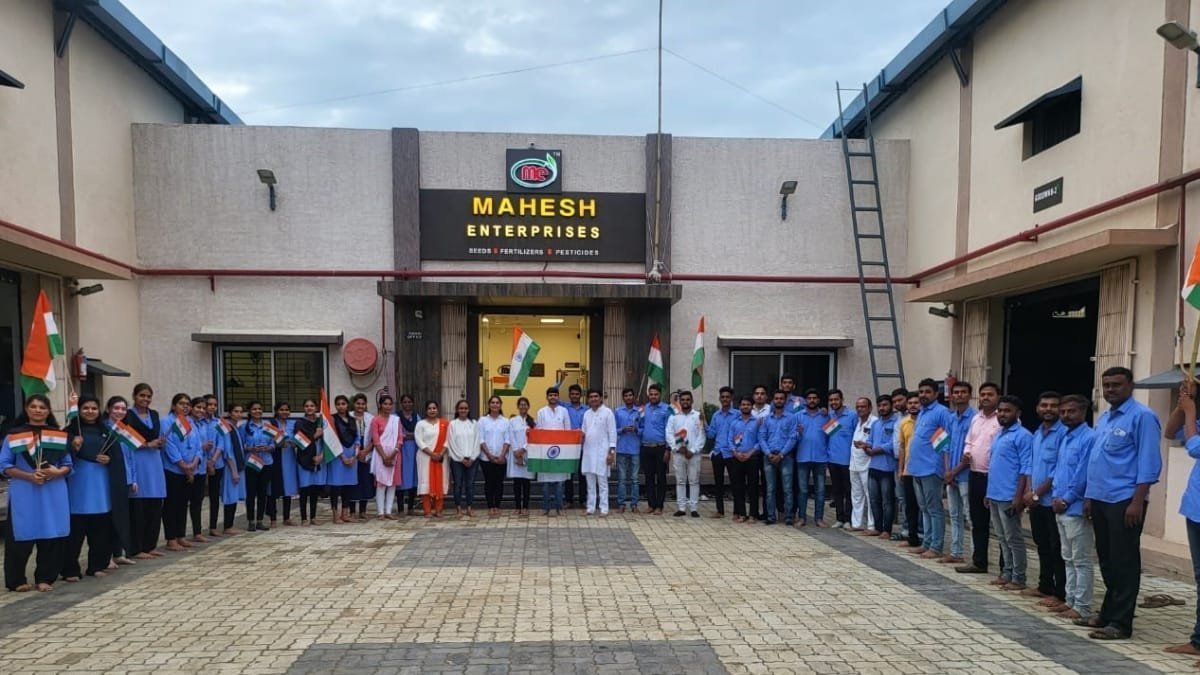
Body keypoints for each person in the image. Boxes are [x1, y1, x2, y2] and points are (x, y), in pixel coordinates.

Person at [1082, 366, 1162, 641]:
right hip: (1101, 498)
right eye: (1106, 385)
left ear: (1130, 385)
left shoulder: (1143, 417)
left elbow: (1149, 462)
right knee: (1106, 559)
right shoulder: (1105, 418)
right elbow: (1096, 461)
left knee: (1124, 561)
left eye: (1116, 385)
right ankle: (1108, 613)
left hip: (1125, 500)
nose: (1110, 390)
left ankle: (1121, 623)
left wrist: (1137, 501)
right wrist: (1090, 497)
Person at [2, 394, 71, 592]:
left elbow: (68, 464)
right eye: (33, 406)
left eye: (42, 407)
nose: (38, 410)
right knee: (21, 535)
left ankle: (45, 578)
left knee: (51, 535)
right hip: (25, 491)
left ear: (48, 411)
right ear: (26, 409)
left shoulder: (58, 436)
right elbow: (4, 465)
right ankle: (16, 580)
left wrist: (57, 472)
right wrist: (29, 476)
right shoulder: (14, 436)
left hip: (53, 490)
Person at [63, 395, 126, 580]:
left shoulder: (107, 431)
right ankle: (70, 570)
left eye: (93, 408)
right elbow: (58, 458)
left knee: (100, 531)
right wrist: (72, 447)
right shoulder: (68, 432)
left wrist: (109, 459)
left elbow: (117, 459)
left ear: (99, 411)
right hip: (77, 486)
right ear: (78, 410)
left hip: (101, 488)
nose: (90, 412)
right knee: (75, 532)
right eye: (85, 408)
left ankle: (96, 566)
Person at [1050, 394, 1095, 621]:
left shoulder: (1089, 438)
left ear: (1083, 412)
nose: (1066, 415)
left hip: (1074, 507)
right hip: (1060, 504)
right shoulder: (1066, 436)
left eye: (1071, 411)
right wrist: (1055, 497)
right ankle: (1070, 600)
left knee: (1081, 559)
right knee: (1067, 557)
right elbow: (1060, 470)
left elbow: (1083, 474)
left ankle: (1083, 607)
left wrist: (1067, 499)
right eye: (1063, 412)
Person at [1165, 383, 1200, 662]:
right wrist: (1183, 404)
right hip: (1195, 509)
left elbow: (1195, 447)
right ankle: (1198, 640)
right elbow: (1170, 432)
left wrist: (1190, 410)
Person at [1023, 391, 1066, 605]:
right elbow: (1031, 465)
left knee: (1056, 547)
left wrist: (1037, 493)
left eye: (1053, 406)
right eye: (1044, 405)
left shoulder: (1063, 433)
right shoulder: (1038, 433)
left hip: (1052, 501)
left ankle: (1060, 593)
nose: (1048, 409)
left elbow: (1057, 470)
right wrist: (1029, 491)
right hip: (1036, 501)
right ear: (1037, 408)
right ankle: (1044, 585)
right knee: (1041, 544)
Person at [986, 395, 1033, 591]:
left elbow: (1025, 468)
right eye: (1000, 411)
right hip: (995, 493)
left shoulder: (1023, 436)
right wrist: (988, 493)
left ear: (1018, 413)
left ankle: (1018, 577)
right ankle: (1006, 572)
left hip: (1009, 496)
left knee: (1013, 537)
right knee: (1002, 537)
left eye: (1007, 411)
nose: (1003, 414)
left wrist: (1018, 496)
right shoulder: (1000, 434)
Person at [955, 382, 1002, 574]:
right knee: (977, 521)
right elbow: (969, 441)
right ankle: (979, 561)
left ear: (998, 397)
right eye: (983, 394)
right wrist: (967, 452)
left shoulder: (1003, 419)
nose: (985, 398)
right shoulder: (976, 418)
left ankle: (1006, 568)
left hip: (994, 477)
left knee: (999, 524)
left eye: (990, 394)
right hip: (974, 474)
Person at [906, 378, 953, 559]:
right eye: (921, 392)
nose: (923, 395)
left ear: (936, 394)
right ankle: (926, 542)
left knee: (934, 509)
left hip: (931, 468)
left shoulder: (942, 412)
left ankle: (936, 546)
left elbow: (946, 442)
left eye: (927, 392)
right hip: (916, 467)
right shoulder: (922, 412)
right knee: (924, 508)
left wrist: (945, 467)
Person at [126, 383, 165, 559]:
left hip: (154, 463)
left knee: (154, 506)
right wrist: (147, 444)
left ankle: (150, 545)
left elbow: (156, 434)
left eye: (148, 396)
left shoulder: (154, 415)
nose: (145, 399)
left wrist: (159, 443)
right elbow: (126, 440)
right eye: (142, 395)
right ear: (134, 396)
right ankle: (136, 548)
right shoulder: (128, 416)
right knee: (138, 508)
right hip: (138, 461)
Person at [161, 395, 202, 552]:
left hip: (190, 469)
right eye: (181, 404)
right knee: (171, 505)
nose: (185, 407)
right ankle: (171, 539)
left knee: (183, 504)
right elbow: (169, 445)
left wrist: (193, 464)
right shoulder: (167, 422)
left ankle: (181, 535)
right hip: (174, 469)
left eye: (187, 404)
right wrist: (184, 465)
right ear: (173, 406)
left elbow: (198, 445)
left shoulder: (190, 422)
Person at [942, 381, 975, 564]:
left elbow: (972, 452)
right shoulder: (950, 418)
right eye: (956, 392)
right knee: (954, 515)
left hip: (966, 475)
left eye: (963, 392)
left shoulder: (975, 419)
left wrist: (954, 472)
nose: (959, 395)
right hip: (951, 475)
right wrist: (948, 471)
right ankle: (956, 552)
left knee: (970, 516)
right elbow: (944, 446)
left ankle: (976, 555)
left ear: (969, 395)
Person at [101, 396, 136, 565]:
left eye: (123, 409)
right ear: (108, 409)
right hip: (109, 479)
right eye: (116, 408)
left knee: (121, 517)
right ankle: (106, 556)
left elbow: (131, 457)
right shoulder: (103, 429)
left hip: (125, 478)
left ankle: (118, 553)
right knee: (109, 518)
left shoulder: (126, 430)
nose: (120, 411)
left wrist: (133, 479)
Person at [759, 390, 797, 525]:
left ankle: (788, 517)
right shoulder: (767, 419)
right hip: (769, 457)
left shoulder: (791, 418)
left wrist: (781, 454)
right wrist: (769, 454)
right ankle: (771, 516)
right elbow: (761, 437)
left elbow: (793, 438)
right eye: (776, 398)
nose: (779, 400)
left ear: (785, 401)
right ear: (773, 401)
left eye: (781, 398)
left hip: (785, 457)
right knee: (770, 489)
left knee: (787, 489)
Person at [666, 390, 704, 518]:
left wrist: (693, 450)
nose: (685, 402)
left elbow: (702, 435)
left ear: (692, 401)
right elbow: (669, 434)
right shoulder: (674, 416)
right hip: (679, 454)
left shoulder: (698, 416)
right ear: (679, 401)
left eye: (688, 399)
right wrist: (677, 448)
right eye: (683, 400)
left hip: (694, 455)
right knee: (680, 481)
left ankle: (694, 508)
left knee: (694, 481)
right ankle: (681, 508)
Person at [725, 395, 762, 523]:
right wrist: (735, 453)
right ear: (739, 406)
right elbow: (730, 440)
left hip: (752, 458)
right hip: (737, 458)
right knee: (738, 487)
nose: (745, 407)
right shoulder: (734, 423)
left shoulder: (757, 422)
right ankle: (741, 513)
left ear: (752, 406)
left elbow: (760, 440)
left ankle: (753, 515)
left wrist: (750, 453)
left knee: (753, 487)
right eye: (743, 404)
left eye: (748, 404)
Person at [580, 389, 617, 516]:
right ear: (588, 399)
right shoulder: (586, 414)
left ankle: (604, 509)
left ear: (601, 398)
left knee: (602, 482)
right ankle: (590, 508)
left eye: (596, 396)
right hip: (588, 452)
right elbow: (583, 432)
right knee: (590, 483)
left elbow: (612, 433)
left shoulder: (608, 413)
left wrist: (611, 452)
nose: (593, 399)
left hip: (603, 452)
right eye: (591, 397)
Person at [866, 394, 898, 539]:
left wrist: (877, 450)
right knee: (874, 499)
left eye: (885, 405)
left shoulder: (896, 423)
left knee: (887, 501)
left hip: (888, 467)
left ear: (891, 406)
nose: (882, 408)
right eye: (879, 406)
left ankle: (887, 529)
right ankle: (877, 528)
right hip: (873, 466)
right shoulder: (876, 424)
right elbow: (870, 440)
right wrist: (866, 446)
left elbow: (894, 444)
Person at [536, 387, 571, 515]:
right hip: (545, 453)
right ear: (547, 397)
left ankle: (559, 508)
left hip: (561, 452)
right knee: (545, 483)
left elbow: (568, 431)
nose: (553, 397)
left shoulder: (564, 411)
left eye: (555, 395)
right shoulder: (541, 412)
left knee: (560, 482)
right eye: (550, 395)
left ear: (558, 397)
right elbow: (539, 431)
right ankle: (546, 508)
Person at [824, 389, 857, 529]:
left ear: (842, 400)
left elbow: (857, 435)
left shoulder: (852, 415)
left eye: (836, 399)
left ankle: (849, 519)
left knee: (849, 491)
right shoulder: (830, 416)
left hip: (848, 460)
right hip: (833, 459)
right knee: (836, 491)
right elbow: (828, 437)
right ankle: (839, 518)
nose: (833, 402)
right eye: (831, 400)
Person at [240, 402, 274, 531]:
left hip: (266, 462)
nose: (257, 411)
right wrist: (250, 448)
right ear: (249, 411)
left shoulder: (268, 425)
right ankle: (251, 521)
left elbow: (273, 444)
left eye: (259, 409)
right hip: (251, 462)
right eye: (254, 409)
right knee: (251, 492)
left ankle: (260, 520)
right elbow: (240, 445)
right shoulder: (244, 427)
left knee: (262, 492)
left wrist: (268, 447)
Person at [293, 398, 327, 526]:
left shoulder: (321, 422)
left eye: (312, 406)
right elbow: (300, 441)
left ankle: (313, 517)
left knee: (314, 489)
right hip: (305, 459)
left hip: (318, 459)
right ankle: (304, 518)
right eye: (307, 406)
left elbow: (328, 441)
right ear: (304, 408)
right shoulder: (299, 423)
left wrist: (321, 455)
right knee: (304, 489)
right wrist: (315, 436)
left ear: (316, 408)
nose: (309, 408)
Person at [638, 384, 671, 516]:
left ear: (660, 395)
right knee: (648, 477)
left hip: (661, 447)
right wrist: (637, 428)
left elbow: (670, 429)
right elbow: (640, 426)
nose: (653, 396)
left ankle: (659, 506)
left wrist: (668, 449)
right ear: (648, 395)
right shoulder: (643, 409)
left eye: (656, 394)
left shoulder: (667, 409)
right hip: (646, 447)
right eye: (651, 394)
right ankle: (651, 504)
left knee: (661, 477)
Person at [328, 395, 360, 524]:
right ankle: (335, 515)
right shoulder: (332, 419)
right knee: (336, 486)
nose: (341, 406)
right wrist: (342, 457)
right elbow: (331, 439)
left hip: (351, 455)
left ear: (347, 405)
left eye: (343, 404)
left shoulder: (353, 420)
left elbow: (357, 438)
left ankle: (345, 514)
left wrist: (354, 456)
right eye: (338, 404)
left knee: (348, 485)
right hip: (337, 455)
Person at [415, 400, 450, 517]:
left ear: (438, 410)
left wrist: (440, 453)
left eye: (434, 408)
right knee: (425, 481)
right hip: (425, 457)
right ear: (426, 411)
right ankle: (427, 510)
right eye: (429, 408)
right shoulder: (421, 424)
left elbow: (448, 440)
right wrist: (431, 454)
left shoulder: (445, 423)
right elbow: (419, 440)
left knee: (441, 480)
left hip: (441, 457)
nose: (432, 410)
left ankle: (438, 509)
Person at [706, 386, 737, 518]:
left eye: (727, 397)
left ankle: (737, 511)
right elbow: (711, 435)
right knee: (718, 483)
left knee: (735, 483)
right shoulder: (716, 415)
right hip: (718, 453)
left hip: (732, 453)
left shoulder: (737, 414)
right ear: (720, 398)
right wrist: (704, 425)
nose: (725, 399)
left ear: (731, 398)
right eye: (723, 397)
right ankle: (720, 510)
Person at [369, 395, 402, 519]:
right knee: (381, 484)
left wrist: (393, 454)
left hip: (395, 454)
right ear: (380, 405)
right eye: (385, 404)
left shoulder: (396, 420)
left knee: (392, 484)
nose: (388, 406)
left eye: (390, 404)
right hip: (380, 455)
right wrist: (384, 457)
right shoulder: (375, 420)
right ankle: (380, 512)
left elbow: (400, 438)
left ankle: (388, 511)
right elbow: (376, 440)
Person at [215, 403, 246, 535]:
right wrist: (233, 471)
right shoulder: (226, 427)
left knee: (234, 495)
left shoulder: (236, 427)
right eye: (235, 411)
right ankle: (227, 526)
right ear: (229, 413)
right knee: (230, 495)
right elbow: (227, 451)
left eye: (240, 412)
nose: (238, 414)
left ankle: (230, 525)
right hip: (230, 467)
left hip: (237, 465)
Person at [477, 395, 510, 517]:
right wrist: (489, 455)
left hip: (501, 458)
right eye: (492, 402)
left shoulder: (505, 421)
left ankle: (497, 505)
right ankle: (490, 506)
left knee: (499, 482)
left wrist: (502, 455)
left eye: (497, 403)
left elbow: (507, 439)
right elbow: (480, 439)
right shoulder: (482, 421)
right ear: (489, 405)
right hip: (486, 458)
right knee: (489, 482)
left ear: (500, 405)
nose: (495, 405)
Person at [266, 402, 297, 528]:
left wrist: (295, 443)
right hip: (275, 458)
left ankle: (286, 517)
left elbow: (298, 438)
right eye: (281, 409)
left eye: (286, 409)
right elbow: (268, 439)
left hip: (289, 458)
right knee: (273, 488)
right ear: (276, 411)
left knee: (288, 488)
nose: (284, 412)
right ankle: (273, 518)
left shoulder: (293, 424)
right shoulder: (271, 424)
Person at [447, 400, 479, 518]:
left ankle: (469, 508)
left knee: (470, 485)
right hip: (457, 460)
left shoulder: (474, 423)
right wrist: (461, 458)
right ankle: (458, 509)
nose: (463, 410)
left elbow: (477, 441)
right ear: (457, 410)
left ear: (468, 410)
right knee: (458, 485)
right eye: (461, 408)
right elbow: (451, 443)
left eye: (465, 408)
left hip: (472, 460)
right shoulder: (453, 424)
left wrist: (472, 458)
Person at [896, 393, 920, 547]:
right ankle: (912, 537)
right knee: (910, 505)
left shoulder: (926, 422)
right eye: (910, 403)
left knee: (923, 506)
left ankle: (924, 537)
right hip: (908, 470)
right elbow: (902, 447)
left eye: (916, 403)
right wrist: (901, 469)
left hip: (924, 470)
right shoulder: (904, 422)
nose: (912, 405)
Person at [848, 396, 875, 532]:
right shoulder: (857, 422)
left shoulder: (874, 422)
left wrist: (866, 445)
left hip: (867, 463)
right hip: (854, 463)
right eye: (858, 407)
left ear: (870, 408)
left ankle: (871, 525)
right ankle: (857, 523)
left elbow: (876, 442)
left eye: (863, 406)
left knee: (869, 495)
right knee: (856, 495)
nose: (860, 409)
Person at [614, 388, 642, 513]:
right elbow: (613, 429)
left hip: (635, 448)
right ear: (623, 398)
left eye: (630, 395)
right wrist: (622, 430)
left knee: (635, 479)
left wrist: (637, 430)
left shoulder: (640, 412)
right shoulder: (618, 411)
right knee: (622, 478)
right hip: (622, 448)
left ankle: (634, 504)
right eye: (626, 396)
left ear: (634, 397)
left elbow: (644, 429)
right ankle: (621, 504)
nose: (628, 397)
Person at [201, 394, 225, 538]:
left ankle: (213, 526)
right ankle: (197, 530)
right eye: (209, 404)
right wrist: (206, 462)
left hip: (217, 463)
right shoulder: (197, 422)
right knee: (198, 497)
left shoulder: (219, 422)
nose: (212, 407)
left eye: (214, 405)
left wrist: (213, 461)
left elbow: (221, 443)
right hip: (199, 463)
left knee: (215, 496)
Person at [349, 394, 376, 520]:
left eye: (362, 404)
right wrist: (356, 453)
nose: (360, 406)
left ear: (366, 405)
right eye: (358, 403)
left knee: (365, 481)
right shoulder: (348, 416)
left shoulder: (371, 418)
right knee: (353, 481)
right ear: (354, 404)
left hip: (366, 451)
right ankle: (352, 511)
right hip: (352, 451)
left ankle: (363, 510)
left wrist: (365, 451)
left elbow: (375, 438)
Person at [508, 397, 535, 516]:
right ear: (518, 406)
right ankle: (517, 506)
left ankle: (525, 507)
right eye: (521, 404)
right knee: (517, 482)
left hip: (527, 453)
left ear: (528, 406)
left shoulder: (533, 422)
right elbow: (511, 436)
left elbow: (533, 438)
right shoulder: (512, 421)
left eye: (525, 404)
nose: (523, 406)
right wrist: (516, 451)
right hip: (515, 454)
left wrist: (524, 449)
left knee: (526, 482)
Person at [563, 384, 587, 508]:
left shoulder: (587, 409)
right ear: (569, 395)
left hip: (584, 447)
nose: (574, 396)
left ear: (580, 395)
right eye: (572, 394)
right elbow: (552, 394)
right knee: (569, 476)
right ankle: (569, 501)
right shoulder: (564, 407)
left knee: (583, 475)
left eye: (577, 394)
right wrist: (560, 381)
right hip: (569, 448)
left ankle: (583, 500)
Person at [396, 394, 419, 515]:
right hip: (401, 449)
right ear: (401, 403)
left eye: (409, 401)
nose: (407, 404)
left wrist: (414, 435)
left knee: (413, 478)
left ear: (413, 403)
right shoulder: (396, 417)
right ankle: (400, 508)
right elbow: (393, 432)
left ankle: (410, 507)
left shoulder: (417, 417)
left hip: (414, 449)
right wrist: (404, 436)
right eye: (404, 402)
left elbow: (420, 431)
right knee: (401, 478)